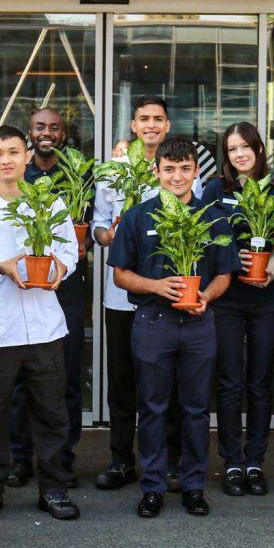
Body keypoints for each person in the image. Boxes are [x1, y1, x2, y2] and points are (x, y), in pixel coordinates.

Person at [109, 137, 238, 517]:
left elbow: (225, 274)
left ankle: (194, 486)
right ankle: (153, 487)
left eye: (184, 169)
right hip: (153, 322)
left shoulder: (213, 217)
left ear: (196, 171)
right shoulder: (138, 216)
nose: (177, 176)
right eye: (169, 169)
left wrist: (206, 296)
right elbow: (120, 274)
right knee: (152, 407)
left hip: (199, 323)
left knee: (196, 409)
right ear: (156, 171)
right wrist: (155, 286)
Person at [0, 125, 81, 521]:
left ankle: (54, 488)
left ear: (28, 156)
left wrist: (60, 267)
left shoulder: (50, 203)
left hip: (44, 326)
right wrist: (1, 266)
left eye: (14, 152)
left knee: (50, 410)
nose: (6, 160)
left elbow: (69, 251)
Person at [91, 96, 201, 491]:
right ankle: (122, 459)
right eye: (144, 119)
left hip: (167, 295)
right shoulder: (114, 170)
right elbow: (98, 226)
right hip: (121, 296)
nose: (151, 125)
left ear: (167, 125)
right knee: (122, 380)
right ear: (133, 126)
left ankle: (170, 461)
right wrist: (113, 236)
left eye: (158, 119)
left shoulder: (183, 171)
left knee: (168, 383)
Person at [202, 122, 274, 497]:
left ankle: (255, 461)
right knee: (229, 381)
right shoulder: (215, 189)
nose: (239, 154)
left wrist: (272, 269)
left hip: (266, 298)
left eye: (245, 147)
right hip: (227, 299)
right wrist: (229, 258)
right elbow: (206, 239)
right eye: (232, 149)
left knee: (260, 380)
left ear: (258, 149)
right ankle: (232, 462)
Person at [7, 108, 88, 488]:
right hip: (17, 291)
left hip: (64, 290)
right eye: (40, 127)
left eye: (54, 128)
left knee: (64, 379)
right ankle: (20, 457)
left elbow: (85, 228)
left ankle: (61, 459)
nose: (47, 133)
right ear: (30, 134)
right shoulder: (18, 177)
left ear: (63, 135)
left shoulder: (77, 175)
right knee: (19, 382)